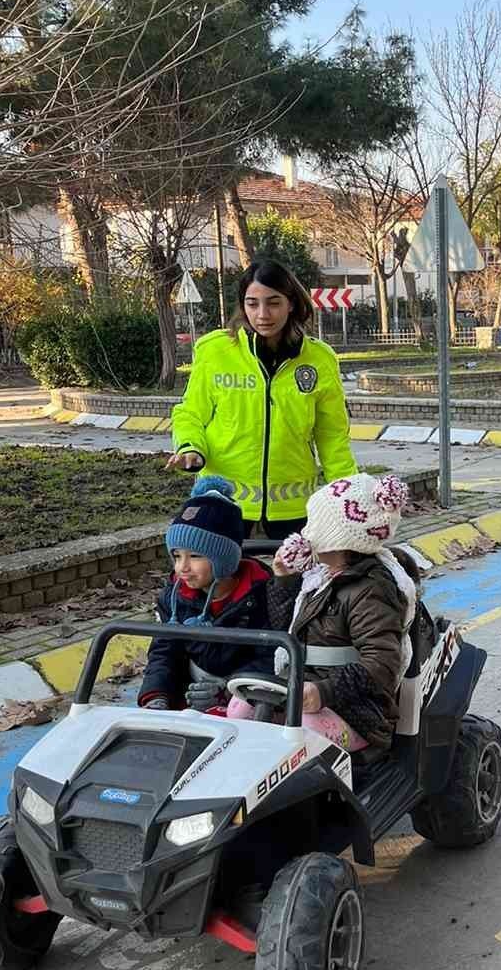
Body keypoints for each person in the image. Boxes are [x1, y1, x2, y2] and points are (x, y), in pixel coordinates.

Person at [167, 259, 357, 542]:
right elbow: (191, 413)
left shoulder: (320, 360)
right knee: (226, 586)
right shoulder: (215, 350)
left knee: (293, 585)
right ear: (242, 306)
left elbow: (332, 436)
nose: (263, 314)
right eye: (252, 303)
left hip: (294, 509)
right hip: (224, 505)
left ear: (291, 303)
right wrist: (190, 447)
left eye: (274, 302)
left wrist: (349, 492)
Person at [228, 472, 417, 757]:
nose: (305, 533)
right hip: (301, 685)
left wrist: (324, 691)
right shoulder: (317, 577)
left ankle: (314, 798)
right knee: (239, 709)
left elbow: (382, 663)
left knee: (304, 733)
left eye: (313, 525)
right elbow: (285, 629)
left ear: (337, 539)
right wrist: (284, 581)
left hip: (357, 709)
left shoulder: (371, 591)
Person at [138, 477, 281, 712]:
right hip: (192, 693)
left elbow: (269, 658)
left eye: (194, 556)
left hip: (248, 697)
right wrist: (157, 695)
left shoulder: (262, 594)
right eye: (176, 556)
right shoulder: (174, 597)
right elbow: (164, 651)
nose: (182, 567)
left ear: (224, 560)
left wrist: (226, 690)